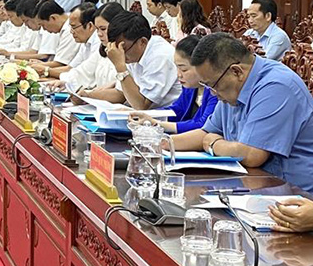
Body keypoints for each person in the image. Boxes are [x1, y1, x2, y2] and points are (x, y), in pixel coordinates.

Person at [174, 33, 313, 193]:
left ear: (236, 72)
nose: (212, 93)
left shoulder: (276, 86)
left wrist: (213, 144)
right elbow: (206, 132)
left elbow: (252, 155)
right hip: (252, 185)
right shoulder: (230, 87)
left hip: (294, 194)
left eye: (213, 85)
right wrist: (163, 143)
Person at [83, 11, 180, 109]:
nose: (121, 54)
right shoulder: (134, 51)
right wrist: (86, 96)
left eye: (124, 49)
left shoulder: (160, 56)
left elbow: (141, 105)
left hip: (170, 116)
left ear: (142, 42)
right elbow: (120, 94)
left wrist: (120, 67)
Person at [128, 35, 217, 135]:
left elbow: (203, 125)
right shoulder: (190, 87)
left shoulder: (215, 92)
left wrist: (157, 124)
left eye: (183, 69)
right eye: (176, 67)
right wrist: (144, 115)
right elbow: (176, 110)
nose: (178, 74)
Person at [58, 2, 121, 94]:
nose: (99, 34)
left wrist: (89, 94)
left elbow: (120, 93)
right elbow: (83, 71)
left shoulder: (127, 53)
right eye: (97, 29)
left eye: (103, 29)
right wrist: (65, 82)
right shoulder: (103, 49)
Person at [39, 2, 95, 80]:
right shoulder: (85, 43)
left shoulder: (97, 43)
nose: (71, 31)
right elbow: (71, 68)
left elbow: (82, 74)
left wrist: (45, 70)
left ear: (90, 26)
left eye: (74, 27)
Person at [28, 0, 81, 77]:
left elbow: (62, 63)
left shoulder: (69, 30)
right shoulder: (64, 28)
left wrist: (41, 67)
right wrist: (41, 65)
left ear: (53, 18)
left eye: (43, 25)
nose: (44, 29)